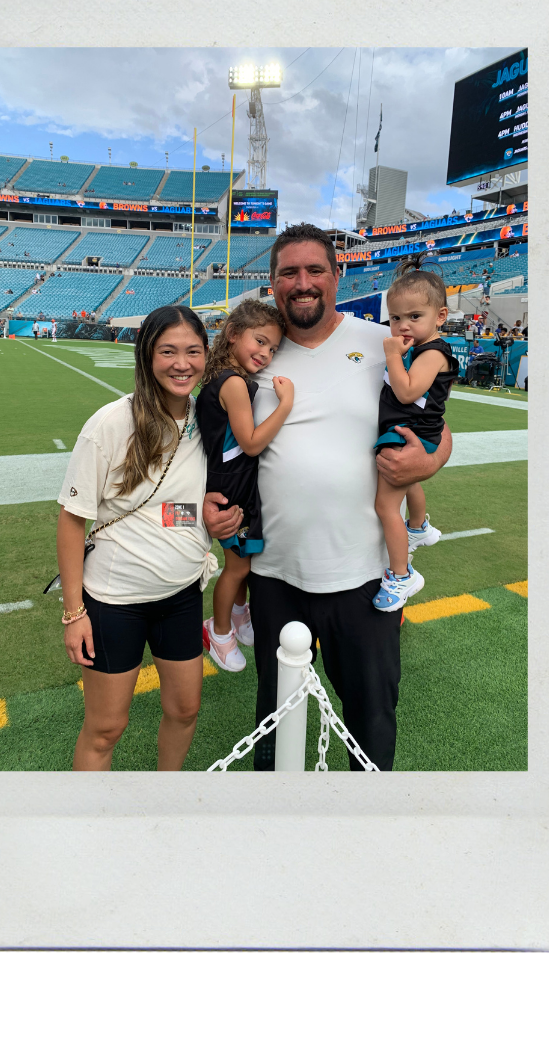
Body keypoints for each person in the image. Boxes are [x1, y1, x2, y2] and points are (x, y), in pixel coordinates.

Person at [202, 223, 452, 772]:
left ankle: (365, 816)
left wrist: (430, 461)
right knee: (276, 718)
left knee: (371, 715)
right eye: (289, 272)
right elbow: (212, 441)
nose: (303, 283)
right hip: (275, 573)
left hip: (364, 575)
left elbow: (436, 426)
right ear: (273, 282)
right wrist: (207, 503)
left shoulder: (382, 342)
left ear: (337, 276)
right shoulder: (256, 354)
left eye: (315, 270)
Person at [56, 305, 226, 772]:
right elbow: (72, 520)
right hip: (115, 602)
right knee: (106, 728)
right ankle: (90, 815)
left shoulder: (207, 419)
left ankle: (164, 795)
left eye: (193, 351)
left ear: (206, 355)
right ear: (147, 355)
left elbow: (161, 510)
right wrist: (74, 613)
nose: (182, 363)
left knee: (185, 710)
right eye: (168, 351)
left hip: (182, 594)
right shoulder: (111, 423)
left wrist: (206, 514)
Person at [196, 300, 293, 673]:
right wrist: (285, 405)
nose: (266, 354)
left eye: (273, 349)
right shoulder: (234, 383)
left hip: (234, 482)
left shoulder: (225, 376)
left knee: (244, 561)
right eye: (260, 341)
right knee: (237, 568)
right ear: (234, 334)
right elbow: (250, 443)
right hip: (231, 488)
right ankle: (219, 632)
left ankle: (238, 614)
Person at [372, 263, 458, 611]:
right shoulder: (425, 348)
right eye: (395, 318)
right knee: (408, 482)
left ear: (440, 316)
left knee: (385, 506)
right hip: (415, 431)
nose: (403, 325)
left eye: (414, 316)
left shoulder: (432, 352)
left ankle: (401, 575)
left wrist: (393, 355)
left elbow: (407, 392)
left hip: (411, 433)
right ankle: (420, 526)